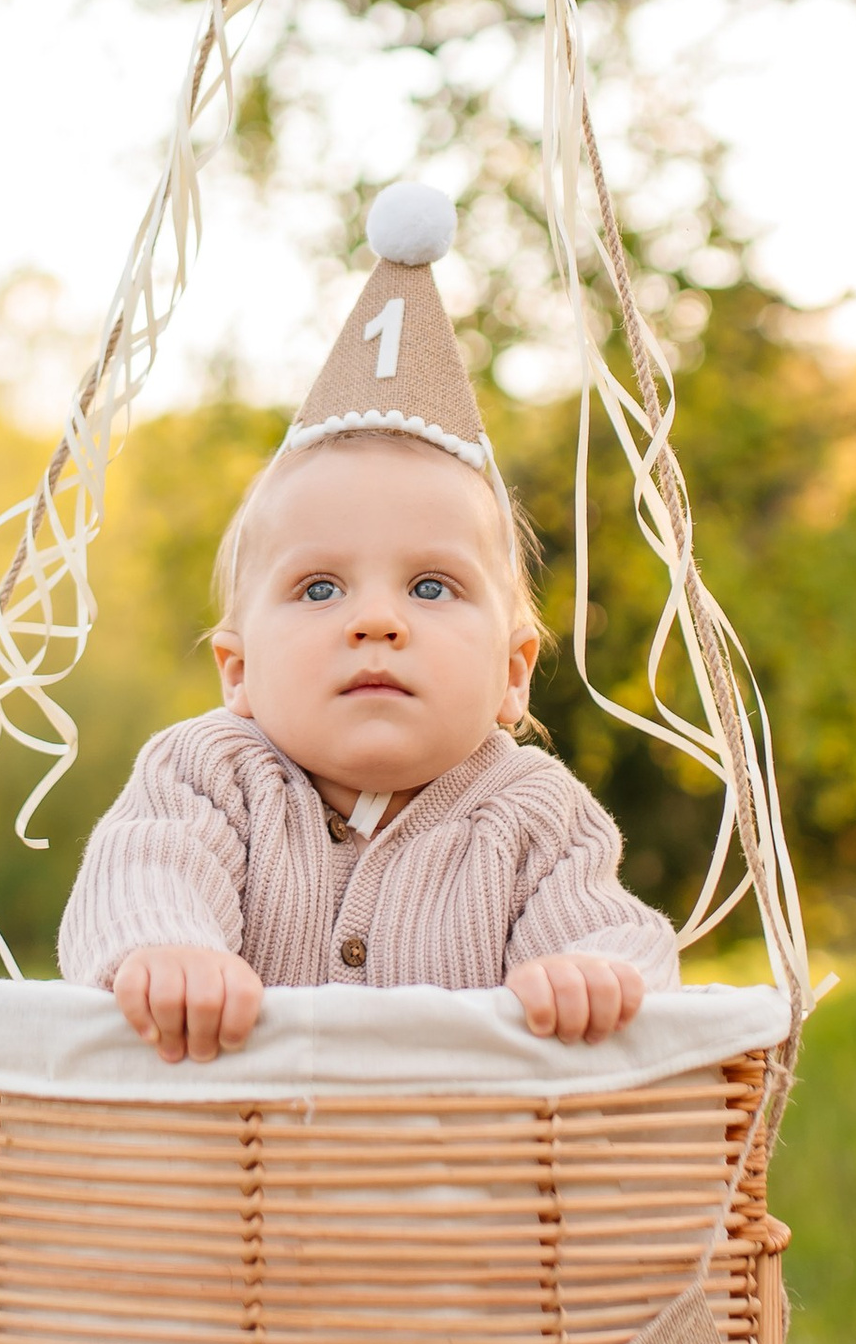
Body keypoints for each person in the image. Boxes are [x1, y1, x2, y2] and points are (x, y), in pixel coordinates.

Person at [58, 184, 679, 1062]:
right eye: (319, 590)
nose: (377, 621)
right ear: (236, 671)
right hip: (230, 1173)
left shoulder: (536, 815)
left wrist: (594, 971)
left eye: (431, 587)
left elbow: (618, 936)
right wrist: (167, 952)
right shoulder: (206, 775)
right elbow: (145, 870)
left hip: (451, 1181)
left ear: (513, 672)